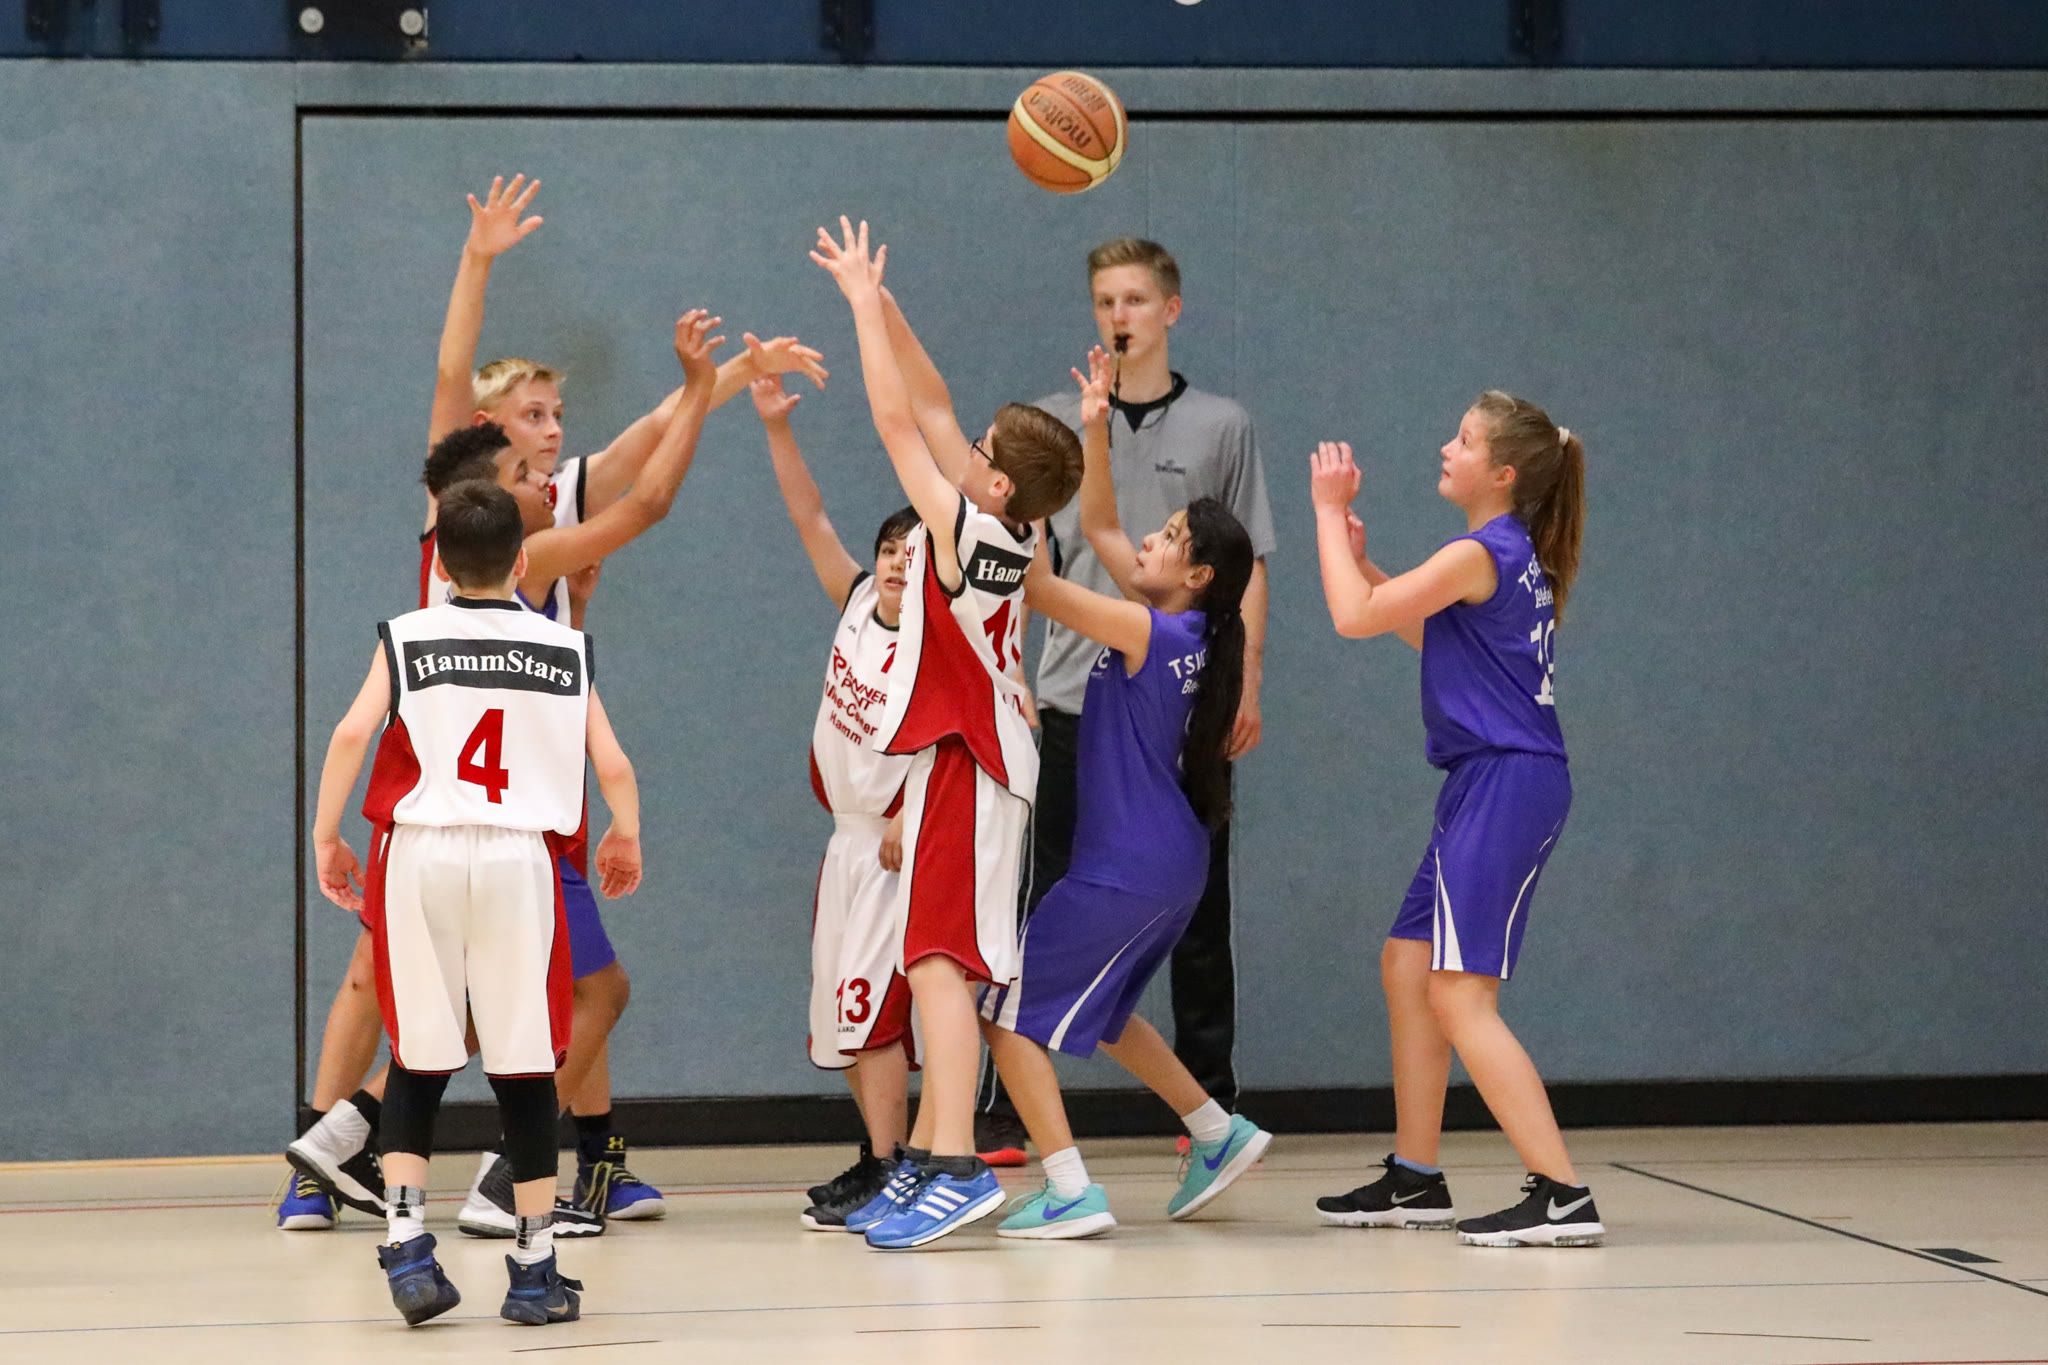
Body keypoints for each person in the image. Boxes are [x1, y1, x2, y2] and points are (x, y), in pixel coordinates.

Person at [286, 304, 723, 1238]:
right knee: (558, 1005)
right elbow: (645, 502)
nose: (547, 475)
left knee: (461, 1012)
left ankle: (371, 1167)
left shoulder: (443, 572)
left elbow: (351, 732)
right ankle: (492, 1185)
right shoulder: (531, 555)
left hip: (438, 821)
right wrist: (699, 389)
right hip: (516, 825)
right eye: (527, 470)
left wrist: (322, 833)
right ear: (493, 502)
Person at [312, 481, 642, 1326]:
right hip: (517, 858)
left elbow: (350, 733)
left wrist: (327, 835)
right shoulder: (563, 646)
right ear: (523, 561)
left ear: (444, 564)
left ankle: (406, 1243)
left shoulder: (408, 635)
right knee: (525, 1067)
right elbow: (610, 761)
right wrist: (625, 831)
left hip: (420, 853)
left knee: (418, 1056)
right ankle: (533, 1268)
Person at [812, 219, 1082, 1250]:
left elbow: (896, 419)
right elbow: (930, 404)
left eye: (978, 451)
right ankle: (931, 1159)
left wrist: (855, 311)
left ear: (997, 484)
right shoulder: (1003, 518)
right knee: (933, 962)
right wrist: (884, 300)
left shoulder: (972, 533)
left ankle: (958, 1164)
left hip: (977, 762)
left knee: (936, 965)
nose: (960, 447)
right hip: (956, 761)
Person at [986, 238, 1275, 1158]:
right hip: (1160, 854)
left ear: (1195, 573)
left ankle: (1070, 1181)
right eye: (1106, 299)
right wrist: (1095, 427)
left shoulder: (1145, 628)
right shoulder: (1183, 626)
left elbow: (1041, 584)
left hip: (1131, 859)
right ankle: (1216, 1128)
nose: (1149, 537)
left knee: (1010, 998)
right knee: (1108, 1007)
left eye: (1171, 534)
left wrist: (1000, 504)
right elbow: (1103, 522)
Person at [1306, 393, 1601, 1248]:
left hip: (1508, 781)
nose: (1446, 446)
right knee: (1408, 963)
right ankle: (1416, 1175)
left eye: (1463, 440)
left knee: (1461, 993)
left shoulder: (1481, 551)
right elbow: (1431, 637)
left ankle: (1563, 1193)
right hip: (1489, 780)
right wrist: (1365, 563)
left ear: (1501, 473)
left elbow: (1354, 619)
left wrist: (1326, 514)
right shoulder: (1501, 556)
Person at [748, 369, 922, 1231]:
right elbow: (810, 517)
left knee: (874, 1012)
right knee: (839, 1015)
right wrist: (778, 428)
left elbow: (966, 739)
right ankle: (878, 1152)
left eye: (913, 553)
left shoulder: (939, 642)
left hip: (895, 843)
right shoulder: (854, 601)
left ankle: (895, 1165)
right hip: (845, 840)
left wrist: (910, 813)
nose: (895, 561)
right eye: (889, 547)